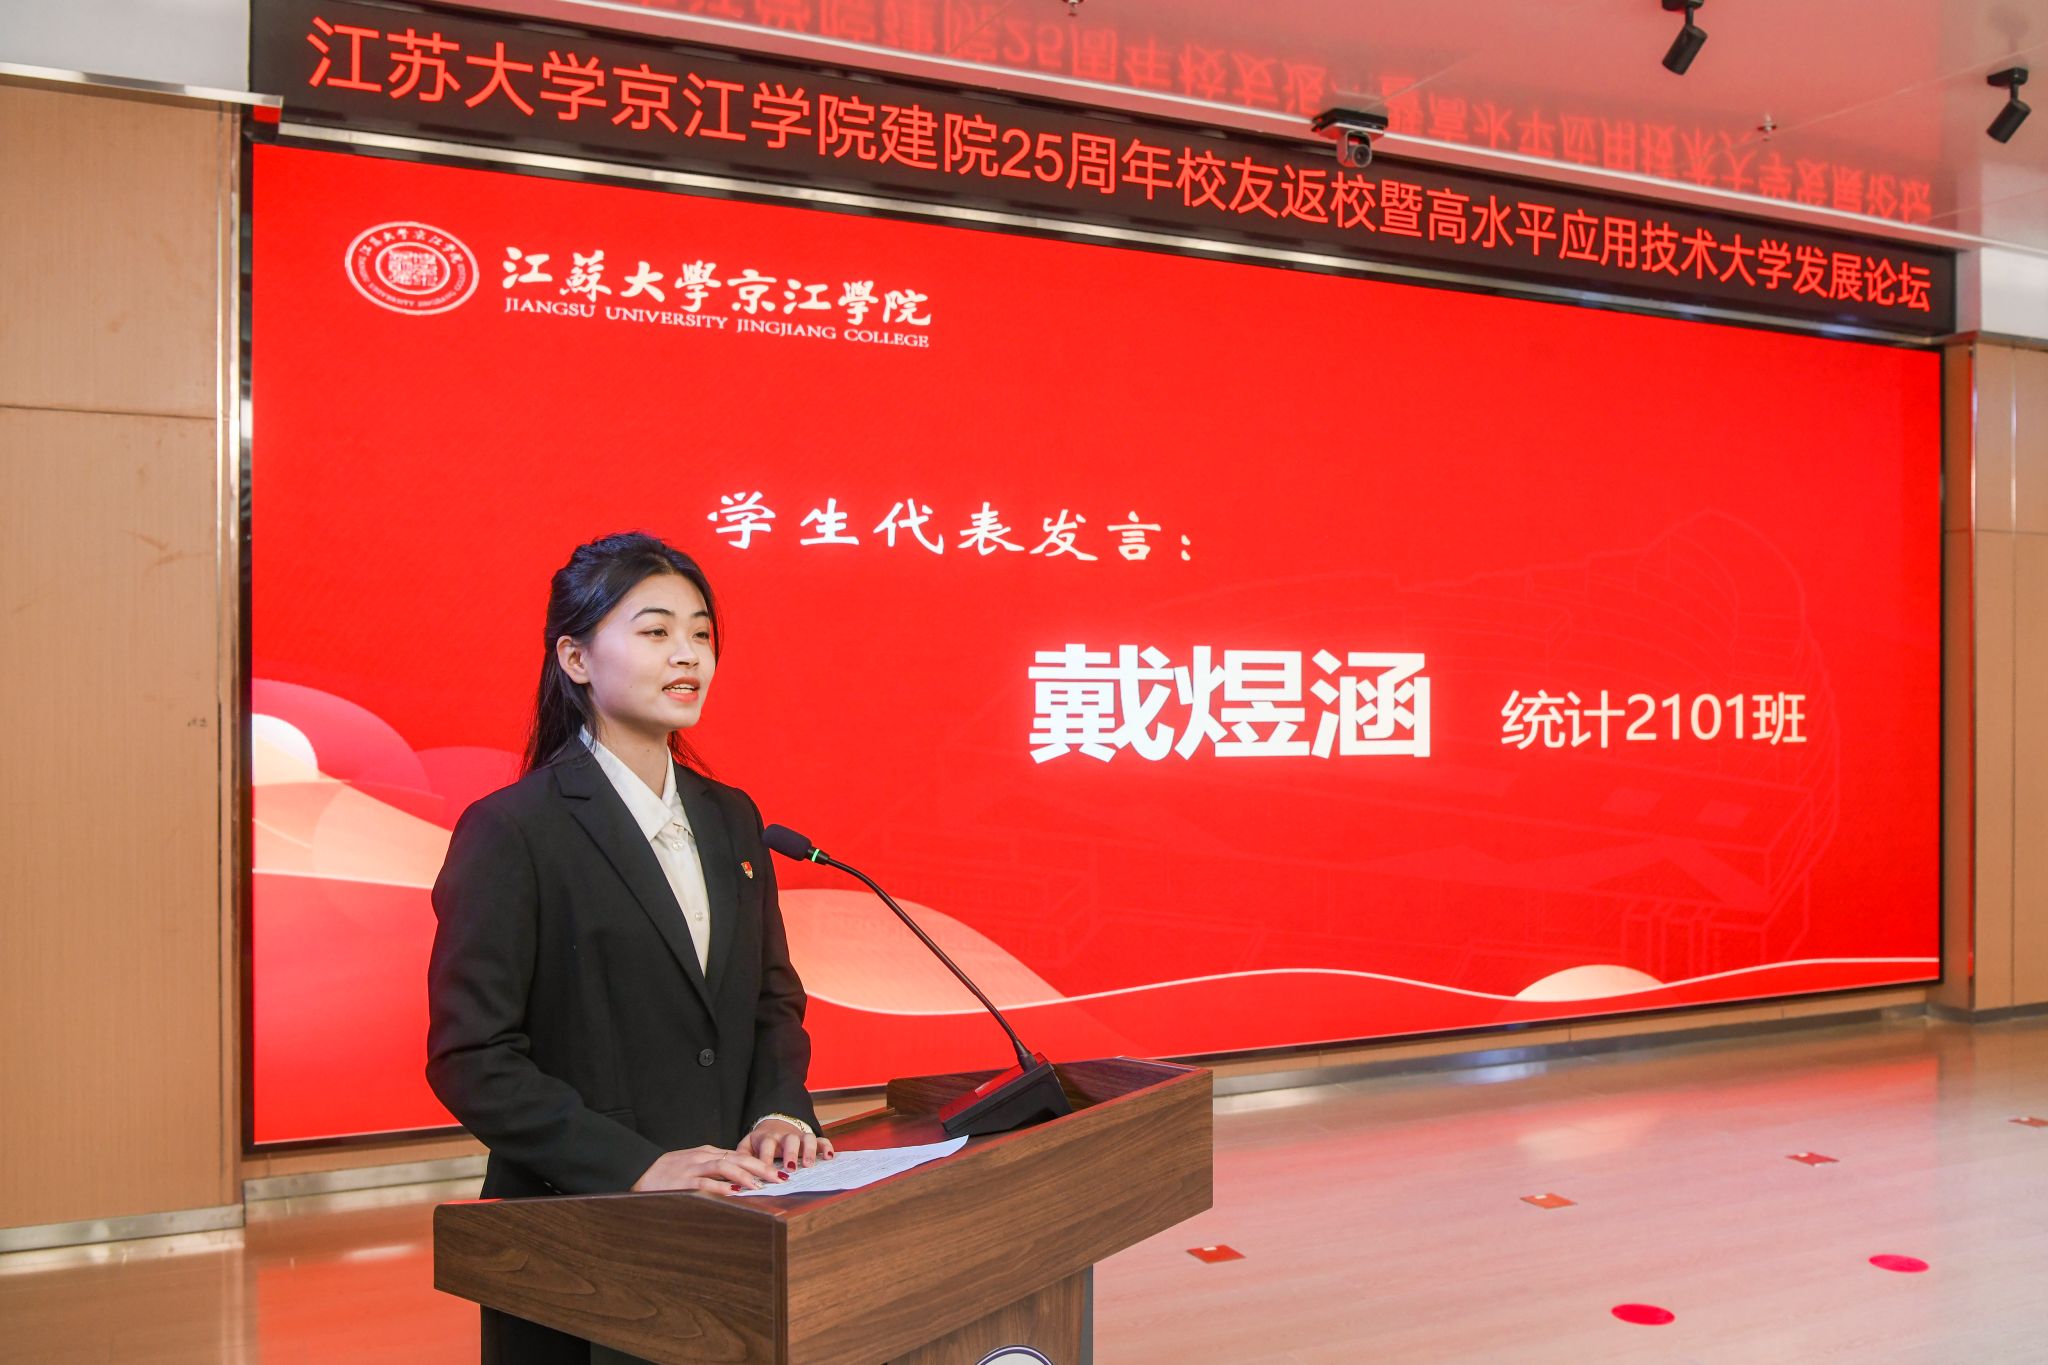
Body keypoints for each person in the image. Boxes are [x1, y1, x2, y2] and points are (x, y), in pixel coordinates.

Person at [426, 531, 833, 1365]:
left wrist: (780, 1109)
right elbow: (473, 1057)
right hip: (585, 1244)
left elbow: (771, 998)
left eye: (702, 632)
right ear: (575, 657)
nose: (688, 655)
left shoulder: (732, 817)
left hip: (735, 1225)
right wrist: (638, 1166)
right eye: (656, 631)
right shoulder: (513, 830)